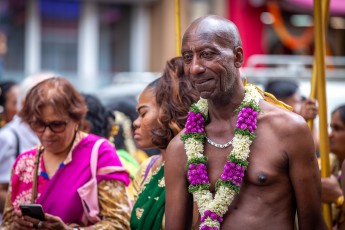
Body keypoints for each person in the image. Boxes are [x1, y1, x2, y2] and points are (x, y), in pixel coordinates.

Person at [164, 15, 326, 229]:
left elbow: (313, 225)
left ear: (237, 57)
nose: (195, 68)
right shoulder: (180, 147)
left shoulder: (288, 131)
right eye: (187, 57)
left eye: (207, 54)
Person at [1, 77, 131, 229]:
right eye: (38, 125)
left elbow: (120, 222)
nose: (47, 134)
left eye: (56, 125)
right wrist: (15, 227)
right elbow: (7, 223)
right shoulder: (24, 162)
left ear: (76, 120)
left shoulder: (99, 154)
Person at [130, 56, 199, 229]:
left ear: (169, 110)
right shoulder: (147, 168)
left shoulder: (198, 168)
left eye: (143, 113)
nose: (136, 123)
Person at [0, 73, 52, 222]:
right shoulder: (7, 137)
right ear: (25, 103)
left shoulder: (54, 135)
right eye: (46, 102)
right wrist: (30, 214)